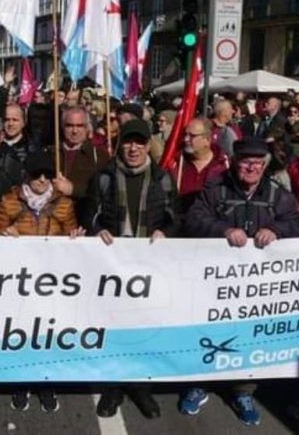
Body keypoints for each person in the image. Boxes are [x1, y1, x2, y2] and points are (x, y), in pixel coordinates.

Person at [183, 137, 299, 426]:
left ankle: (243, 390)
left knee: (248, 337)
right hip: (214, 282)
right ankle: (199, 383)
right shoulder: (215, 189)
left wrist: (276, 229)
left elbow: (298, 223)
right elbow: (193, 219)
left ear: (265, 166)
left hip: (254, 289)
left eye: (257, 163)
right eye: (245, 161)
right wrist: (223, 229)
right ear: (235, 162)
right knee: (208, 331)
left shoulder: (279, 195)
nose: (250, 167)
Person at [90, 119, 177, 419]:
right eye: (128, 141)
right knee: (115, 326)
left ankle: (141, 386)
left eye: (140, 142)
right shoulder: (104, 177)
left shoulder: (162, 178)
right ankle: (113, 385)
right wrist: (97, 228)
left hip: (149, 266)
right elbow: (91, 214)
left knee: (144, 327)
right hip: (113, 267)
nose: (133, 147)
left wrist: (165, 230)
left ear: (148, 145)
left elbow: (173, 215)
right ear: (120, 144)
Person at [0, 150, 80, 413]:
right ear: (26, 176)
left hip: (51, 282)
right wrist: (2, 233)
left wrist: (74, 237)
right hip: (19, 282)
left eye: (47, 175)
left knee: (48, 333)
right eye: (36, 175)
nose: (42, 180)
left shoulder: (64, 203)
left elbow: (71, 235)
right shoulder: (9, 201)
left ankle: (46, 380)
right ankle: (21, 380)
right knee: (20, 332)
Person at [53, 106, 110, 229]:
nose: (74, 131)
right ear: (62, 127)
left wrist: (73, 189)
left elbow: (105, 194)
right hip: (54, 224)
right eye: (69, 125)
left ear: (87, 128)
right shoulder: (50, 153)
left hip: (84, 223)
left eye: (80, 126)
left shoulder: (100, 156)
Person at [171, 118, 229, 213]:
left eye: (192, 136)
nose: (186, 139)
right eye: (185, 135)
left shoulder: (224, 165)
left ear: (207, 140)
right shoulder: (176, 164)